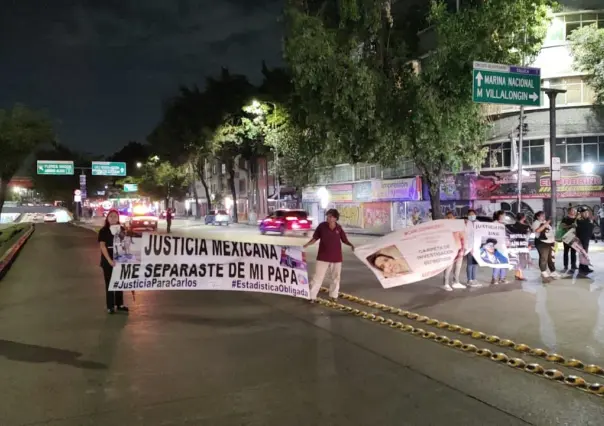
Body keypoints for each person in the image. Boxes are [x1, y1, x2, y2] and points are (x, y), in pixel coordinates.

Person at [304, 208, 355, 302]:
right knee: (318, 277)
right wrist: (307, 244)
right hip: (323, 257)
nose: (328, 218)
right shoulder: (322, 226)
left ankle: (333, 295)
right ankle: (312, 296)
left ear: (335, 218)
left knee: (336, 277)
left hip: (336, 258)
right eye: (327, 216)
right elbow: (315, 238)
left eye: (330, 216)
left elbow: (344, 240)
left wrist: (351, 245)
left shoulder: (338, 228)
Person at [97, 209, 129, 314]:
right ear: (107, 218)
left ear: (118, 218)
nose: (113, 218)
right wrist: (110, 261)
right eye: (111, 216)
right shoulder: (103, 231)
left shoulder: (122, 229)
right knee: (110, 283)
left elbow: (126, 244)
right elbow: (102, 246)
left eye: (115, 216)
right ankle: (110, 306)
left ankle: (119, 304)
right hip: (108, 260)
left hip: (120, 259)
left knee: (120, 282)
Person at [532, 211, 560, 283]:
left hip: (550, 242)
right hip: (541, 242)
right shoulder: (536, 222)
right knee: (543, 257)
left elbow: (550, 232)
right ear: (538, 217)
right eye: (542, 216)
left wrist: (554, 240)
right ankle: (543, 271)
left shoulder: (545, 222)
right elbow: (538, 230)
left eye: (544, 215)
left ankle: (553, 271)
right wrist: (546, 223)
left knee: (550, 258)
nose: (543, 217)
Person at [442, 212, 466, 291]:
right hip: (449, 250)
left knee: (458, 266)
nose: (450, 218)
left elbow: (463, 237)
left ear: (454, 218)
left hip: (459, 249)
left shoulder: (458, 226)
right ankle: (446, 283)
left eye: (451, 217)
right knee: (449, 267)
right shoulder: (443, 227)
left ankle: (456, 282)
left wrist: (463, 248)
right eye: (448, 217)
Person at [506, 213, 531, 281]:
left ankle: (517, 275)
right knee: (521, 260)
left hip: (514, 245)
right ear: (523, 218)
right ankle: (520, 276)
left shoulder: (511, 226)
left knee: (517, 260)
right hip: (522, 245)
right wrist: (528, 245)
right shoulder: (526, 227)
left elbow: (508, 235)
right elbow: (527, 237)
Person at [465, 209, 482, 288]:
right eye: (470, 214)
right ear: (468, 216)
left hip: (477, 247)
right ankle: (469, 280)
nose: (472, 216)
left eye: (473, 214)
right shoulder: (466, 223)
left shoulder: (478, 223)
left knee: (475, 264)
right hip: (469, 247)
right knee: (470, 264)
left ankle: (474, 279)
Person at [491, 211, 509, 285]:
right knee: (497, 262)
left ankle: (502, 278)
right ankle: (494, 279)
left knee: (504, 262)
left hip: (504, 246)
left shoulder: (504, 224)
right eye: (503, 215)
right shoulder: (494, 224)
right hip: (497, 246)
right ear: (499, 216)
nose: (504, 216)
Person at [576, 207, 595, 275]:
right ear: (581, 213)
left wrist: (593, 236)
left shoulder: (588, 220)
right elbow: (582, 228)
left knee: (584, 253)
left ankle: (583, 266)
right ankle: (584, 267)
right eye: (585, 213)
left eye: (587, 212)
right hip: (581, 239)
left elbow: (590, 229)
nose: (587, 214)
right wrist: (591, 223)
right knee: (583, 253)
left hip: (586, 239)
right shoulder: (579, 220)